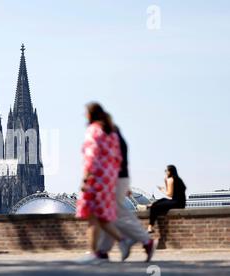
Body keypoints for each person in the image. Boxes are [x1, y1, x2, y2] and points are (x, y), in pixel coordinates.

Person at [76, 102, 133, 263]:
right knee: (101, 216)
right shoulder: (112, 133)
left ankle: (96, 253)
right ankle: (120, 242)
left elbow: (91, 157)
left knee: (93, 215)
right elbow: (118, 158)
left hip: (96, 178)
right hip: (109, 178)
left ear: (90, 115)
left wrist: (86, 178)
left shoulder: (93, 131)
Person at [96, 121, 156, 262]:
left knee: (113, 214)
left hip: (115, 180)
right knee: (109, 215)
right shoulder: (119, 141)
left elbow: (113, 163)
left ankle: (143, 240)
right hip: (120, 179)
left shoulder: (113, 143)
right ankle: (104, 250)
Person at [147, 165, 186, 233]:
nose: (165, 172)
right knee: (162, 200)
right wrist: (166, 182)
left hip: (176, 202)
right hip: (181, 202)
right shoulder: (178, 179)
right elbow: (173, 192)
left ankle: (150, 226)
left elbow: (169, 194)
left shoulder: (170, 179)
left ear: (170, 172)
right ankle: (151, 205)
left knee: (155, 207)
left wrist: (162, 190)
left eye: (166, 171)